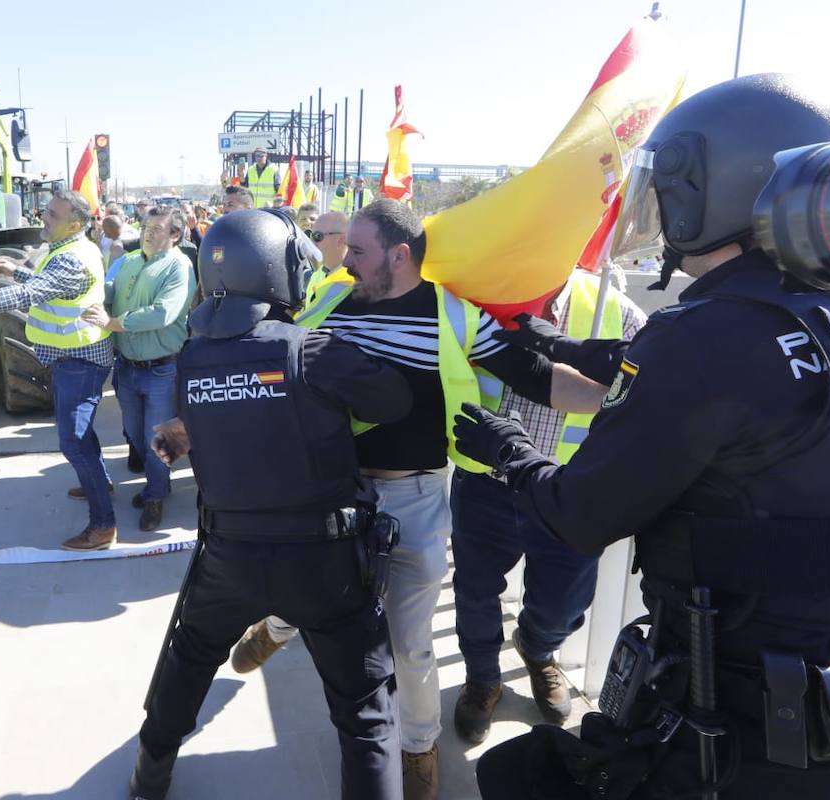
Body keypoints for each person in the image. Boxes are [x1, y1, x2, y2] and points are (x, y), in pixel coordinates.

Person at [455, 74, 830, 799]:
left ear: (707, 191)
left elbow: (580, 514)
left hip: (732, 723)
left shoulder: (706, 337)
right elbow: (744, 389)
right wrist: (566, 345)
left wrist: (508, 451)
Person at [229, 200, 609, 800]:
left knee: (409, 643)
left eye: (358, 251)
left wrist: (623, 401)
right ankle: (279, 623)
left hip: (414, 501)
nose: (345, 261)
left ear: (399, 255)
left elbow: (537, 377)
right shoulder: (329, 300)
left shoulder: (453, 315)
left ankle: (418, 748)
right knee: (306, 589)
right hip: (329, 493)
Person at [130, 208, 412, 800]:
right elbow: (393, 402)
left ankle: (147, 777)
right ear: (279, 272)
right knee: (365, 715)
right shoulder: (313, 350)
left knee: (189, 659)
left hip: (228, 557)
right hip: (325, 563)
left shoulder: (192, 357)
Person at [449, 267, 646, 745]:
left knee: (564, 602)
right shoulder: (479, 297)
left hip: (567, 493)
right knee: (474, 592)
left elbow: (648, 391)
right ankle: (482, 677)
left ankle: (538, 650)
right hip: (486, 483)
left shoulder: (617, 310)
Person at [0, 190, 119, 551]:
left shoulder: (72, 259)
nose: (43, 217)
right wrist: (17, 271)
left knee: (73, 441)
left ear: (74, 225)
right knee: (80, 435)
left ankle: (103, 526)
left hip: (79, 361)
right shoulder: (70, 249)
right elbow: (49, 285)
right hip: (72, 358)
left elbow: (28, 296)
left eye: (52, 214)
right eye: (46, 210)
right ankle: (100, 482)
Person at [81, 206, 195, 531]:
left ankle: (155, 495)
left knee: (155, 439)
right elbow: (107, 291)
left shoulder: (179, 266)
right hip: (127, 368)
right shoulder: (130, 262)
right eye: (146, 227)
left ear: (175, 234)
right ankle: (158, 483)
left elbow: (162, 313)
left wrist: (113, 323)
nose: (148, 233)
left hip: (161, 370)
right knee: (134, 433)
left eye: (157, 229)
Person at [303, 210, 348, 307]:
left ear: (341, 240)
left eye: (317, 236)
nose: (312, 242)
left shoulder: (355, 279)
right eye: (311, 236)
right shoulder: (317, 275)